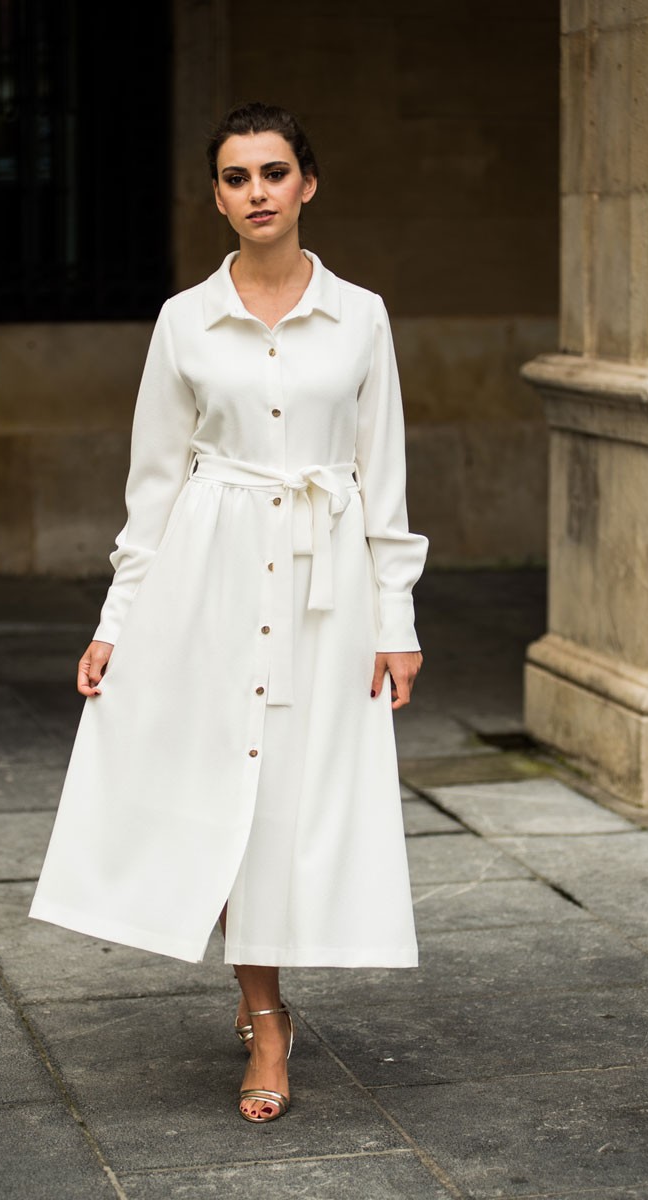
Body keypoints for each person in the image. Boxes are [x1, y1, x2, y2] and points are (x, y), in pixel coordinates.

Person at [30, 102, 428, 1124]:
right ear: (215, 195)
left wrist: (397, 619)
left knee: (289, 804)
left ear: (307, 185)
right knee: (215, 793)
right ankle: (263, 1017)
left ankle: (269, 1010)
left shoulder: (363, 317)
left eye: (273, 171)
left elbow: (380, 477)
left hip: (319, 591)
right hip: (203, 585)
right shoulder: (181, 321)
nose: (256, 190)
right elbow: (152, 485)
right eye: (236, 175)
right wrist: (117, 618)